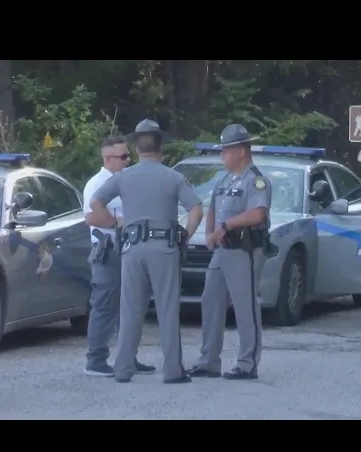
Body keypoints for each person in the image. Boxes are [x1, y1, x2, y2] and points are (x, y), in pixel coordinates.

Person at [88, 119, 203, 383]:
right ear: (160, 147)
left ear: (137, 149)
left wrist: (118, 224)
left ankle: (123, 369)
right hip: (164, 248)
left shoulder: (123, 177)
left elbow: (95, 203)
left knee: (130, 310)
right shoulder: (174, 177)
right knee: (167, 310)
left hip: (132, 248)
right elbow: (196, 210)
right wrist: (185, 236)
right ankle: (173, 371)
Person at [187, 124, 272, 380]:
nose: (222, 154)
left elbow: (258, 214)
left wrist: (225, 226)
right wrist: (210, 233)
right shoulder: (224, 179)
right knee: (210, 301)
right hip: (222, 250)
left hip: (244, 250)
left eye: (227, 150)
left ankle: (247, 363)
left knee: (245, 307)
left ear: (242, 152)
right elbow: (212, 208)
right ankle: (209, 361)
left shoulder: (255, 181)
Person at [82, 136, 155, 377]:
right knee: (105, 305)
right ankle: (95, 360)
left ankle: (128, 357)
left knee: (131, 305)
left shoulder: (127, 180)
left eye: (128, 155)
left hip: (129, 249)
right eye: (122, 157)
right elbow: (92, 217)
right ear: (107, 159)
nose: (127, 160)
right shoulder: (97, 184)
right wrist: (121, 222)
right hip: (108, 250)